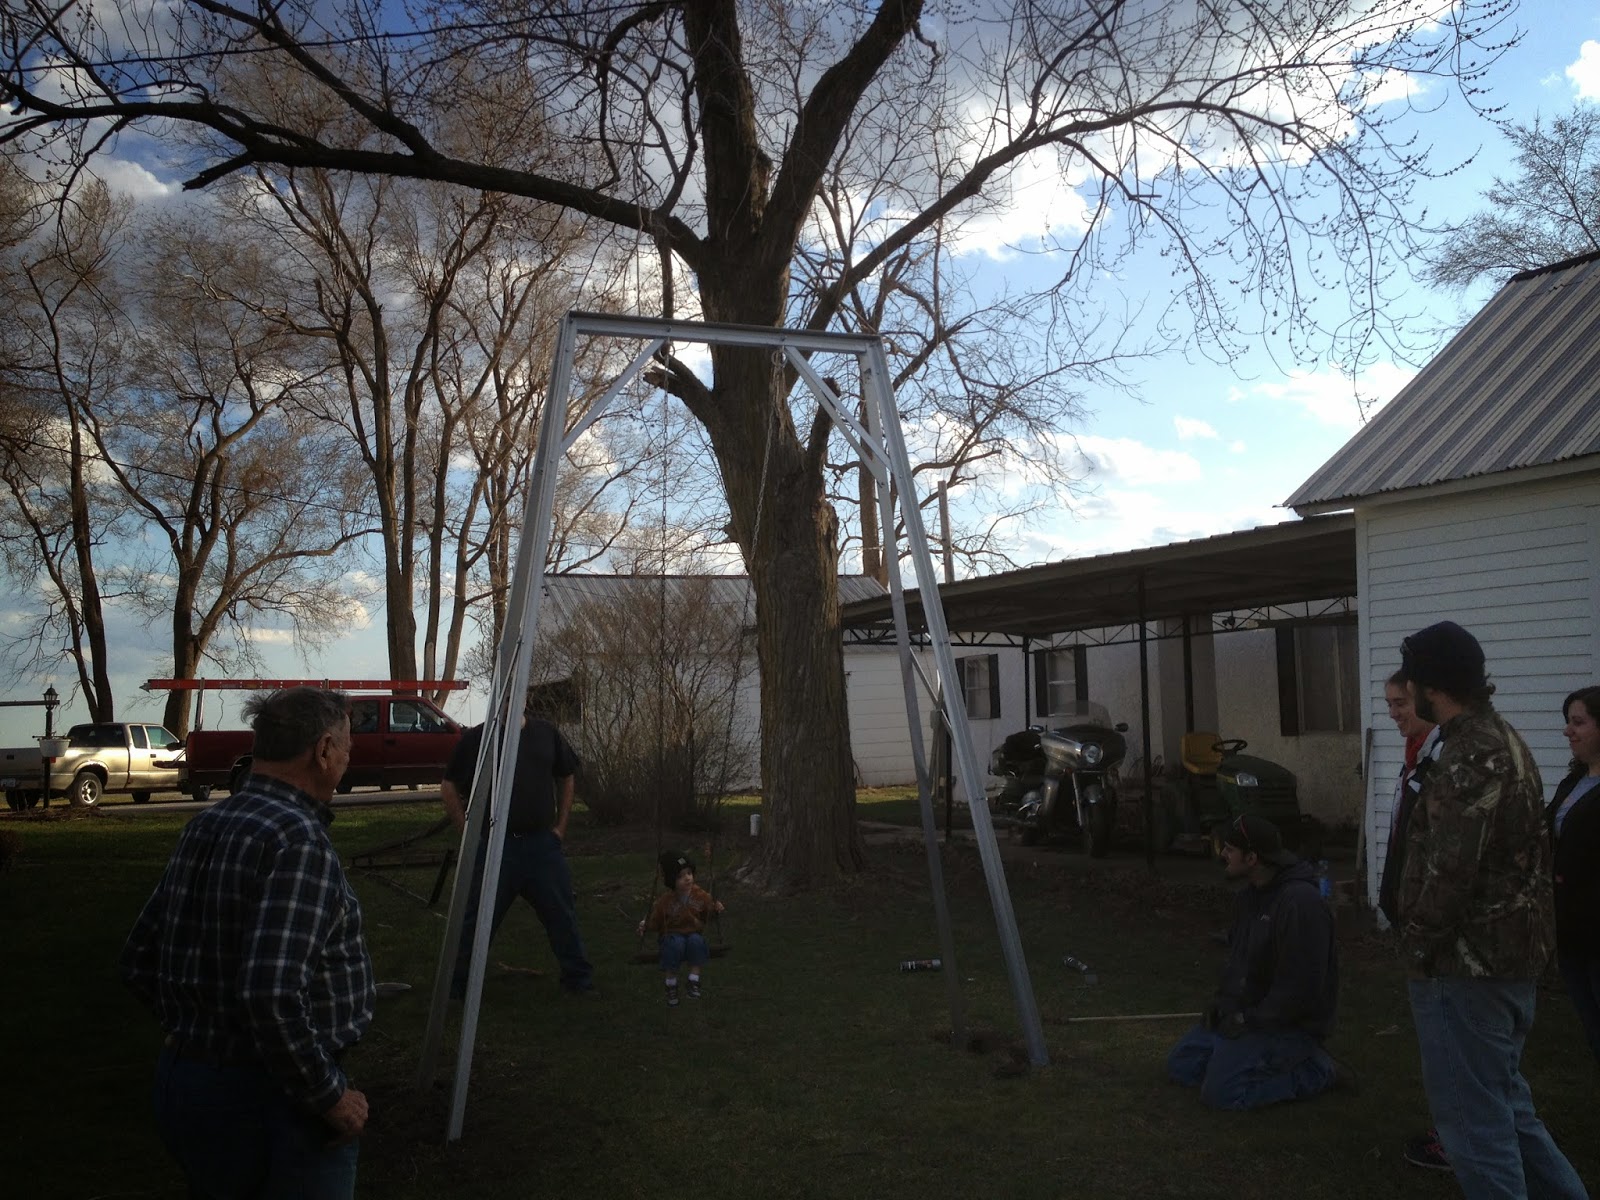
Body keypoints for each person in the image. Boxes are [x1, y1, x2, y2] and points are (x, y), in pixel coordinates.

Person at [120, 687, 374, 1199]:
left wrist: (199, 1034)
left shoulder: (207, 823)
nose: (350, 756)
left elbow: (138, 958)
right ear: (324, 750)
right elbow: (270, 994)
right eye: (348, 745)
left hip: (187, 1081)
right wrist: (328, 1096)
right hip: (270, 1099)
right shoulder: (297, 840)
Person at [1395, 620, 1586, 1200]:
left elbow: (1450, 872)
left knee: (1474, 1129)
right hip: (1503, 961)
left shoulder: (1471, 755)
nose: (1408, 690)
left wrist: (1416, 947)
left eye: (1412, 680)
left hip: (1467, 968)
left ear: (1432, 685)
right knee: (1506, 1108)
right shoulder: (1499, 739)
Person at [1166, 813, 1344, 1110]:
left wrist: (1250, 1019)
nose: (1222, 855)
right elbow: (1239, 964)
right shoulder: (1248, 898)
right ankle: (1238, 1060)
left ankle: (1318, 1070)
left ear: (1252, 858)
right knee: (1181, 1065)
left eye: (1230, 850)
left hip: (1287, 1025)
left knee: (1221, 1094)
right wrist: (1223, 1005)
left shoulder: (1300, 904)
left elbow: (1301, 988)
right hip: (1246, 1016)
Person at [443, 695, 595, 996]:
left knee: (561, 914)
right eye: (506, 697)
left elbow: (566, 775)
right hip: (495, 849)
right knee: (477, 919)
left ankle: (578, 980)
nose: (511, 703)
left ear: (525, 699)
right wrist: (468, 834)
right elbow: (449, 786)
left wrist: (560, 828)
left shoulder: (546, 734)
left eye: (517, 696)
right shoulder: (479, 739)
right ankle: (459, 986)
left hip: (541, 847)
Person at [1548, 685, 1600, 1066]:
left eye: (1578, 722)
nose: (1568, 731)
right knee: (1591, 1022)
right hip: (1570, 929)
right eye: (1568, 722)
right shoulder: (1574, 781)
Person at [637, 850, 725, 1006]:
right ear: (671, 880)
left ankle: (693, 981)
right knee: (674, 944)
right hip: (672, 935)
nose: (687, 878)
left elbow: (708, 914)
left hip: (692, 934)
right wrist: (646, 925)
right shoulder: (665, 901)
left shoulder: (701, 896)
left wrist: (715, 909)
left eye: (689, 873)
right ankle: (671, 984)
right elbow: (655, 920)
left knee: (697, 941)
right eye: (680, 876)